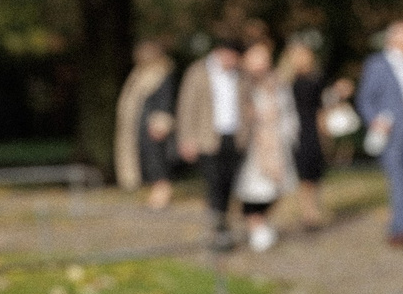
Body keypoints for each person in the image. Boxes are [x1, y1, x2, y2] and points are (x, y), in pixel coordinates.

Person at [356, 21, 403, 245]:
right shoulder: (378, 64)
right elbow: (365, 98)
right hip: (392, 130)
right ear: (395, 39)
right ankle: (402, 229)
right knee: (398, 178)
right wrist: (375, 121)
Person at [175, 40, 247, 249]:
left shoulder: (240, 75)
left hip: (233, 137)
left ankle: (223, 227)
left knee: (227, 185)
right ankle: (218, 231)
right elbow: (187, 106)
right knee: (214, 185)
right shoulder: (198, 72)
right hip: (207, 139)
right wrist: (186, 138)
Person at [234, 39, 294, 252]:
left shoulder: (277, 82)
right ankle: (255, 225)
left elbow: (287, 111)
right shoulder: (241, 82)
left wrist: (289, 134)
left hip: (276, 142)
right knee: (253, 189)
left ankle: (261, 222)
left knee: (276, 188)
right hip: (254, 143)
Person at [115, 41, 178, 209]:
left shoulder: (162, 73)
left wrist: (161, 123)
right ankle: (154, 192)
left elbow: (165, 101)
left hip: (154, 126)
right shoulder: (139, 74)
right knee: (147, 159)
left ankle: (162, 193)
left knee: (157, 160)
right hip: (139, 126)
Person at [284, 39, 329, 232]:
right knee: (301, 172)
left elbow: (320, 109)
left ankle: (312, 210)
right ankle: (307, 212)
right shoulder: (285, 80)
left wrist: (324, 133)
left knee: (313, 171)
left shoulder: (315, 79)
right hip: (293, 128)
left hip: (311, 128)